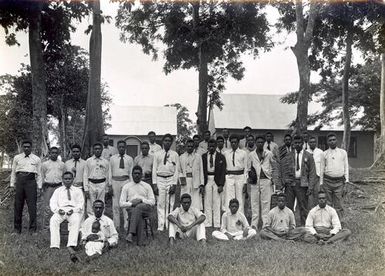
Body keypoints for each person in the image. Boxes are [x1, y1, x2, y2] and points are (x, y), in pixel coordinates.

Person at [280, 134, 317, 226]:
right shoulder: (288, 155)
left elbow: (312, 172)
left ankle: (304, 226)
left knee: (303, 206)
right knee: (289, 206)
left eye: (299, 143)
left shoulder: (308, 156)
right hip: (290, 184)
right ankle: (289, 226)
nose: (297, 145)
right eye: (295, 143)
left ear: (303, 144)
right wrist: (284, 182)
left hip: (302, 184)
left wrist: (310, 187)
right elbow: (283, 169)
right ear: (293, 144)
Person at [10, 140, 42, 234]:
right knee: (18, 206)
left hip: (31, 182)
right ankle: (16, 229)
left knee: (32, 206)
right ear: (22, 147)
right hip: (20, 182)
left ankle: (32, 230)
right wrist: (12, 185)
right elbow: (13, 172)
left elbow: (39, 174)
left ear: (31, 147)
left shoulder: (36, 159)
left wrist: (39, 187)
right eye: (25, 147)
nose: (26, 148)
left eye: (28, 147)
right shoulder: (17, 158)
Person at [247, 135, 278, 228]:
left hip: (266, 179)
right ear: (255, 143)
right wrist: (249, 177)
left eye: (261, 142)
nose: (260, 144)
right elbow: (248, 168)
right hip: (255, 181)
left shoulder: (269, 153)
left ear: (264, 143)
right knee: (254, 202)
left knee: (266, 202)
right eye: (258, 142)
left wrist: (272, 178)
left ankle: (265, 223)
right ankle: (254, 224)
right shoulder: (251, 155)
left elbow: (273, 166)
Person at [120, 165, 156, 244]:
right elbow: (121, 203)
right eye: (135, 173)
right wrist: (131, 203)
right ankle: (140, 242)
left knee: (139, 207)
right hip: (132, 208)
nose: (137, 175)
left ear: (141, 175)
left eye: (139, 174)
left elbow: (153, 202)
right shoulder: (126, 186)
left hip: (146, 208)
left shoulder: (147, 186)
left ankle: (131, 233)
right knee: (137, 212)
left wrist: (141, 200)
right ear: (132, 174)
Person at [49, 171, 84, 251]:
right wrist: (58, 210)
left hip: (73, 210)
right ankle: (55, 245)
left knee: (76, 220)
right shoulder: (58, 190)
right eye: (65, 179)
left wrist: (74, 210)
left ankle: (71, 244)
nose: (67, 180)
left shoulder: (77, 190)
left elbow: (80, 203)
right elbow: (52, 202)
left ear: (73, 179)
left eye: (69, 179)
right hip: (61, 210)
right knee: (53, 220)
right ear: (62, 180)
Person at [152, 134, 180, 231]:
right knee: (160, 202)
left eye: (169, 141)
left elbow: (177, 170)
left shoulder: (175, 155)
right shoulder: (157, 154)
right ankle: (161, 225)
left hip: (170, 179)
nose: (167, 142)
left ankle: (169, 225)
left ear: (171, 143)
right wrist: (154, 184)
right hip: (160, 179)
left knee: (170, 202)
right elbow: (154, 169)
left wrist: (174, 184)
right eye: (165, 140)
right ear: (163, 142)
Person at [320, 133, 350, 218]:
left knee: (339, 205)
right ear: (327, 142)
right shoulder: (324, 153)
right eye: (330, 140)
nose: (332, 142)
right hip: (327, 182)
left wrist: (346, 182)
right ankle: (328, 223)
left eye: (334, 140)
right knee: (328, 204)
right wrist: (321, 184)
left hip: (339, 183)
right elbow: (321, 169)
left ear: (336, 140)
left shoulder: (343, 152)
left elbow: (346, 167)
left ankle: (339, 224)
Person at [109, 140, 133, 231]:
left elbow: (131, 173)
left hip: (126, 181)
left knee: (126, 204)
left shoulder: (129, 159)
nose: (121, 148)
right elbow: (110, 172)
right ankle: (116, 226)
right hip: (115, 181)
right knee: (115, 205)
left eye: (123, 147)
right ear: (117, 148)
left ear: (125, 148)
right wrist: (110, 185)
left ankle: (126, 226)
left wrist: (131, 185)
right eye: (120, 147)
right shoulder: (112, 159)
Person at [202, 139, 226, 228]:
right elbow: (201, 171)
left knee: (217, 202)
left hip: (217, 179)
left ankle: (216, 223)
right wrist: (202, 184)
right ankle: (208, 223)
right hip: (207, 179)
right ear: (208, 146)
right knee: (207, 202)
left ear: (216, 146)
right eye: (210, 146)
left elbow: (223, 171)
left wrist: (221, 184)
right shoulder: (204, 156)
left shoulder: (221, 157)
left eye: (213, 146)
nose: (211, 148)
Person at [41, 147, 66, 230]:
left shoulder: (62, 164)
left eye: (56, 153)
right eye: (52, 152)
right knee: (47, 207)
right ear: (49, 153)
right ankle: (46, 227)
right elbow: (42, 176)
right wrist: (42, 186)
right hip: (49, 187)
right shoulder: (45, 164)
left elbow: (64, 176)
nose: (54, 154)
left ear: (58, 154)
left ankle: (58, 226)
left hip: (59, 187)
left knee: (59, 206)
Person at [84, 143, 110, 216]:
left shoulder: (105, 162)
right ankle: (91, 222)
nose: (97, 150)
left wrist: (107, 189)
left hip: (102, 184)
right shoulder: (88, 161)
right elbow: (85, 175)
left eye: (99, 149)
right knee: (90, 204)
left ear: (102, 150)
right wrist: (86, 188)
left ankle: (101, 220)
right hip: (91, 184)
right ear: (93, 150)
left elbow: (108, 175)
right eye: (96, 149)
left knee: (101, 203)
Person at [224, 134, 248, 214]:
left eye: (235, 142)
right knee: (229, 197)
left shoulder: (243, 153)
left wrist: (245, 182)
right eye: (232, 142)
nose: (233, 144)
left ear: (238, 143)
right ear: (230, 143)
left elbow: (246, 169)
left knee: (240, 198)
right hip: (229, 176)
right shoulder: (226, 153)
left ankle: (240, 217)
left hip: (240, 176)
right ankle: (228, 216)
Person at [179, 139, 204, 210]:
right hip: (185, 180)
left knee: (196, 200)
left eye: (191, 146)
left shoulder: (198, 157)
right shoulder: (181, 157)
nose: (190, 148)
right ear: (186, 147)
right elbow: (179, 171)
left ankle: (196, 216)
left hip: (195, 180)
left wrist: (201, 183)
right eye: (188, 146)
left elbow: (201, 170)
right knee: (185, 198)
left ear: (194, 147)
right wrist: (182, 181)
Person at [307, 136, 324, 207]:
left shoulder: (320, 152)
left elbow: (322, 166)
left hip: (317, 177)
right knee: (309, 197)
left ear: (316, 143)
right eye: (311, 142)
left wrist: (321, 181)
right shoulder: (306, 152)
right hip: (308, 178)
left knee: (317, 195)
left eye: (314, 142)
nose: (312, 143)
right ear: (308, 143)